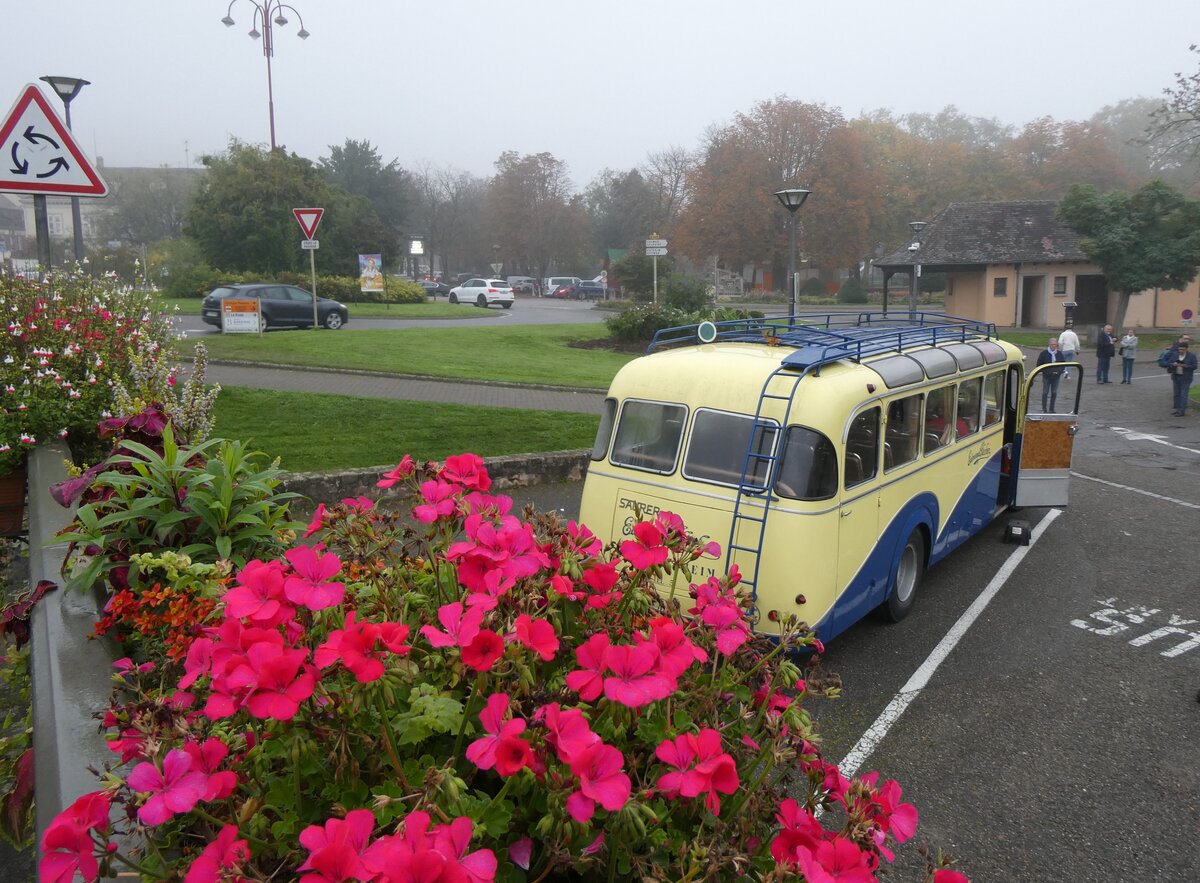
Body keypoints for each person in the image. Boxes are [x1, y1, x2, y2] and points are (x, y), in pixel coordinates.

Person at [1165, 339, 1197, 416]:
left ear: (1186, 349)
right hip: (1176, 376)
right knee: (1176, 394)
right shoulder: (1175, 354)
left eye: (1182, 349)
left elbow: (1195, 366)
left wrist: (1186, 366)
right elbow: (1168, 363)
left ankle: (1182, 411)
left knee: (1183, 394)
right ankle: (1177, 409)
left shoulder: (1192, 356)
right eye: (1179, 349)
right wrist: (1173, 364)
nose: (1181, 351)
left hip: (1186, 378)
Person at [1036, 338, 1064, 413]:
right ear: (1049, 345)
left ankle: (1052, 408)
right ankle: (1044, 408)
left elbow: (1063, 365)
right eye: (1052, 344)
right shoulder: (1044, 353)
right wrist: (1047, 372)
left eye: (1055, 344)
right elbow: (1039, 365)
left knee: (1054, 392)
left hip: (1056, 376)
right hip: (1046, 376)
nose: (1053, 346)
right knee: (1045, 392)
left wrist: (1058, 372)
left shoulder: (1059, 354)